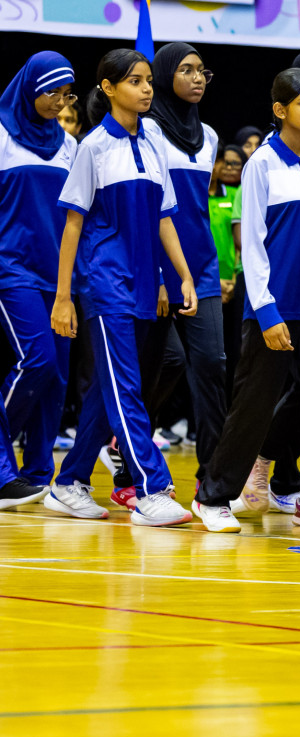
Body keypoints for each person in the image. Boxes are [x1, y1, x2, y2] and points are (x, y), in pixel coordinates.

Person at [191, 69, 300, 538]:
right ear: (280, 109)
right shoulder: (261, 164)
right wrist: (266, 311)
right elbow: (256, 247)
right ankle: (213, 495)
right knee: (253, 406)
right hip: (275, 311)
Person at [49, 49, 198, 526]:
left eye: (149, 80)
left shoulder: (153, 144)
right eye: (135, 81)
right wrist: (64, 296)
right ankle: (151, 487)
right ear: (109, 89)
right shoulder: (92, 147)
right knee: (126, 387)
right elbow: (72, 227)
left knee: (108, 392)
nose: (148, 88)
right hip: (104, 281)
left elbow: (163, 219)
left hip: (140, 283)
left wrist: (181, 274)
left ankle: (68, 482)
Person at [142, 43, 226, 492]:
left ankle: (211, 478)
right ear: (165, 75)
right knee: (158, 367)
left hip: (203, 268)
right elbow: (151, 208)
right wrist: (158, 275)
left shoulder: (210, 135)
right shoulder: (148, 130)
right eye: (187, 70)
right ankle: (129, 451)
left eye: (202, 72)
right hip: (156, 268)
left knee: (212, 365)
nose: (197, 79)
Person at [0, 52, 77, 508]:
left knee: (57, 378)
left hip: (58, 273)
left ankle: (35, 473)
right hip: (11, 267)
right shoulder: (1, 136)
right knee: (38, 360)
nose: (57, 101)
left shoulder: (67, 145)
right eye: (50, 92)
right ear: (29, 88)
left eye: (65, 94)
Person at [209, 143, 245, 400]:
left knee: (234, 349)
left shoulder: (234, 194)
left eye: (218, 161)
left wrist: (232, 279)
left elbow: (239, 242)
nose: (215, 167)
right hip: (206, 284)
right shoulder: (195, 195)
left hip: (232, 284)